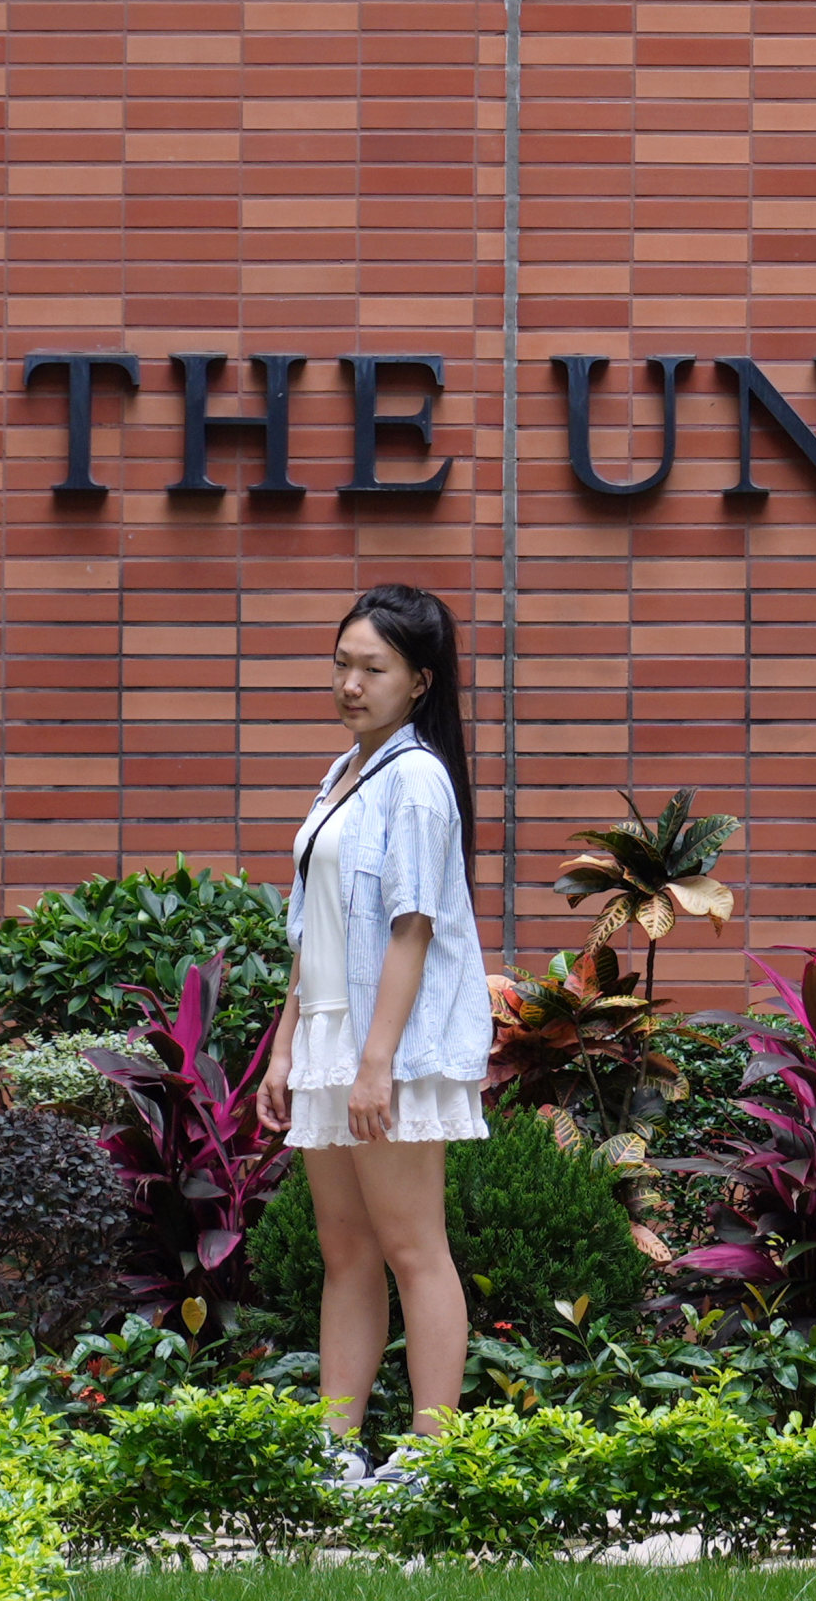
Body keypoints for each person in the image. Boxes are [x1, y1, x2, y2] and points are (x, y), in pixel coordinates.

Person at [254, 582, 495, 1483]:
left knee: (410, 1248)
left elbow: (412, 926)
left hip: (383, 1046)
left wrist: (376, 1064)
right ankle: (334, 1449)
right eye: (342, 664)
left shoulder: (418, 780)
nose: (351, 683)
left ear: (420, 681)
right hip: (329, 1037)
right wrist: (285, 1048)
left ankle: (435, 1458)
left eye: (373, 668)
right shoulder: (344, 774)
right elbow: (311, 930)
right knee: (346, 1252)